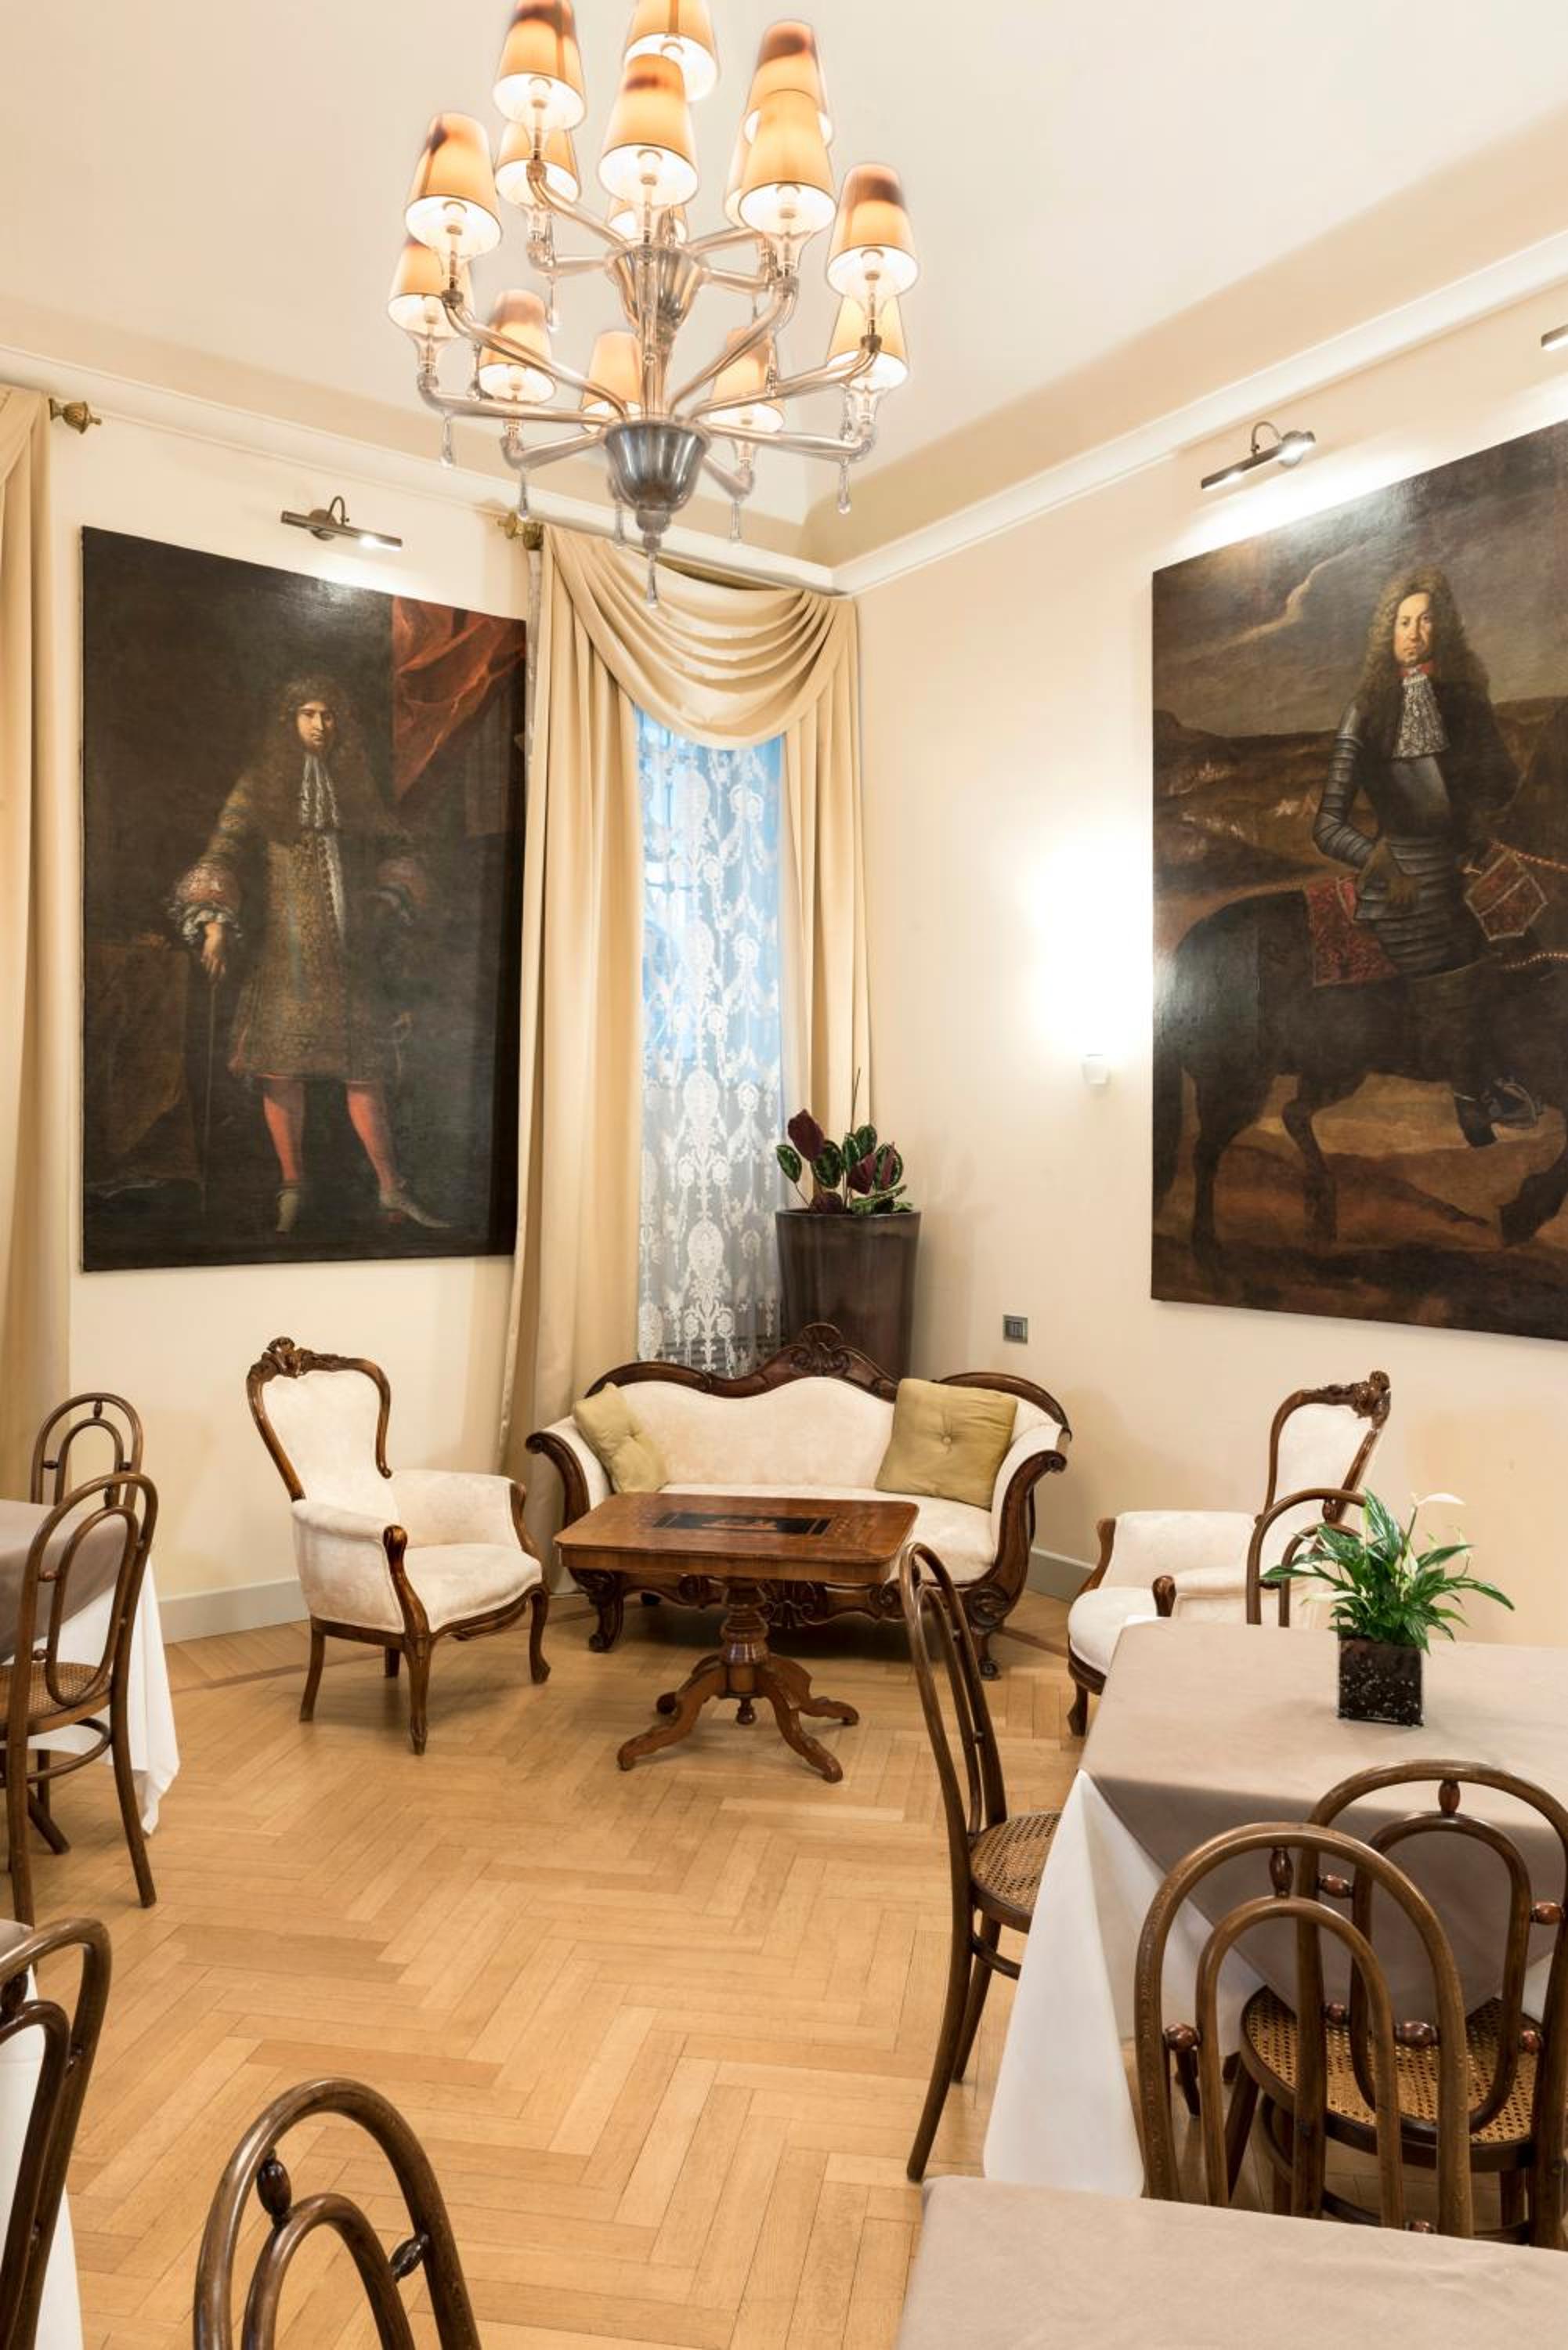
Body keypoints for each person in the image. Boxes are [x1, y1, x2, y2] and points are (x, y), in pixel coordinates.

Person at [172, 674, 446, 1234]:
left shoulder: (355, 785)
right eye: (309, 714)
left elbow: (399, 849)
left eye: (329, 715)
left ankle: (390, 1188)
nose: (320, 725)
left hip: (351, 958)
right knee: (281, 1073)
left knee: (364, 1075)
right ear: (290, 721)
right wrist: (215, 924)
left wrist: (388, 898)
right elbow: (222, 851)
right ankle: (293, 1187)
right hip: (285, 957)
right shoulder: (260, 783)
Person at [1313, 566, 1538, 1148]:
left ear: (1444, 627)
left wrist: (1478, 839)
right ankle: (1472, 1096)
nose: (1413, 633)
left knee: (1532, 944)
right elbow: (1327, 826)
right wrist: (1377, 859)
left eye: (1425, 620)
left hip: (1466, 864)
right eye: (1403, 622)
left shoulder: (1466, 701)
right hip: (1401, 882)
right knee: (1456, 963)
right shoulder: (1365, 710)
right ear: (1387, 632)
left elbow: (1499, 788)